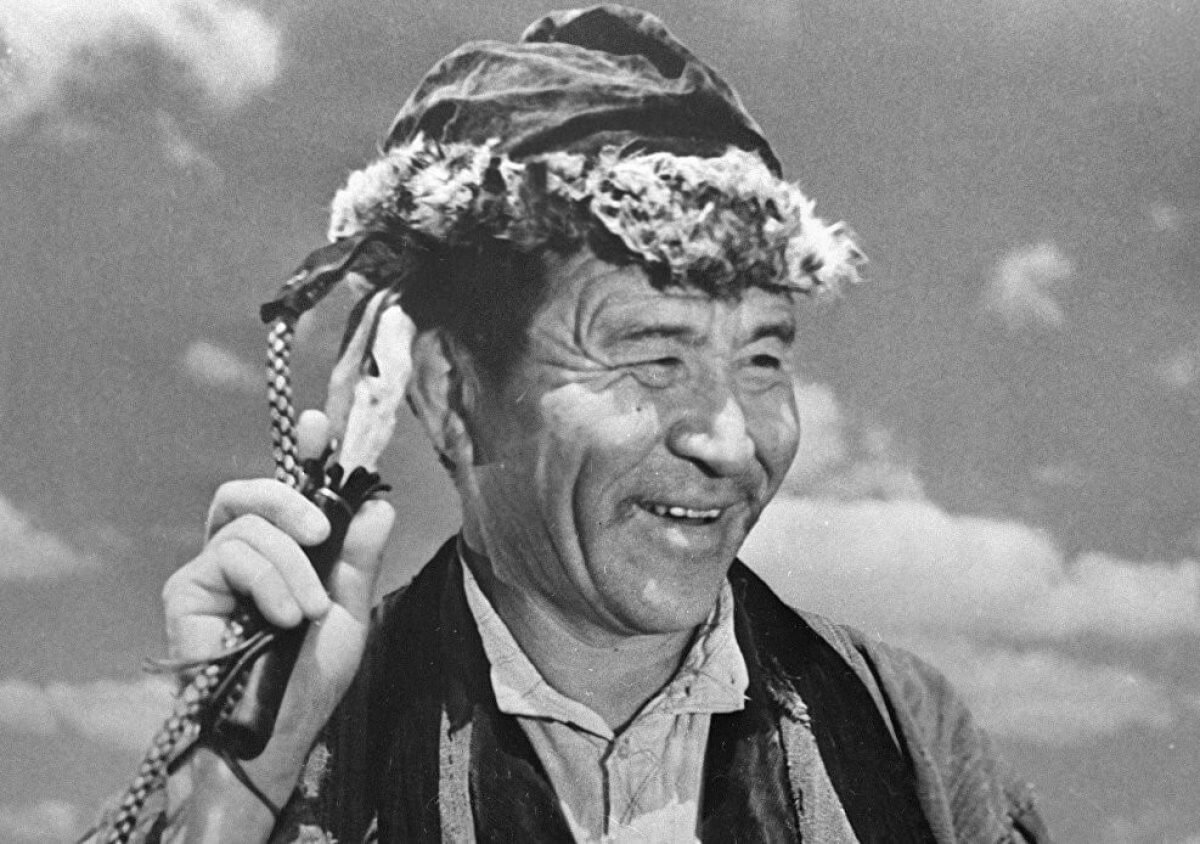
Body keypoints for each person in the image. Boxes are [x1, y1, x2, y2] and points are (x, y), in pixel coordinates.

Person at [142, 6, 1050, 842]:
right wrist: (233, 800)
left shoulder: (903, 734)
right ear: (450, 394)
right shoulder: (303, 743)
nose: (731, 444)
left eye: (762, 360)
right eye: (654, 356)